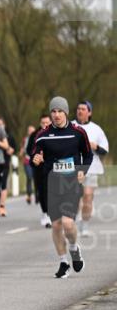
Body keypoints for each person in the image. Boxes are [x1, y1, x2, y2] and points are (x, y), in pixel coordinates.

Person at [30, 96, 93, 278]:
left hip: (71, 183)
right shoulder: (42, 135)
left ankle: (74, 248)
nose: (56, 115)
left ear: (66, 112)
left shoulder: (78, 132)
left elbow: (88, 155)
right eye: (53, 111)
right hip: (51, 184)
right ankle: (63, 262)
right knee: (56, 226)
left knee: (67, 222)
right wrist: (36, 159)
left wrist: (82, 170)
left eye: (59, 111)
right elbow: (35, 156)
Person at [73, 100, 109, 237]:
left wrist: (95, 147)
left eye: (83, 109)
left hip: (92, 168)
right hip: (74, 168)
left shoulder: (96, 129)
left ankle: (85, 225)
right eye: (78, 108)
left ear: (89, 112)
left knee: (87, 197)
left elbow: (105, 150)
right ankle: (74, 222)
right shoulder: (70, 126)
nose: (80, 111)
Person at [26, 114, 54, 228]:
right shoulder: (34, 135)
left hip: (52, 166)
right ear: (40, 123)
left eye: (47, 123)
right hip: (38, 167)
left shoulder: (56, 132)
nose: (45, 125)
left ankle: (50, 214)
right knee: (41, 191)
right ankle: (45, 213)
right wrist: (35, 156)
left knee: (51, 191)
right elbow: (29, 150)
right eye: (43, 123)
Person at [0, 116, 17, 218]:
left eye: (1, 125)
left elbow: (12, 150)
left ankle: (2, 206)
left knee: (3, 184)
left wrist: (6, 147)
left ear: (4, 125)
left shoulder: (10, 137)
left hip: (4, 163)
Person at [22, 124, 38, 205]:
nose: (31, 132)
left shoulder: (38, 137)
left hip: (36, 161)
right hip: (27, 161)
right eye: (29, 130)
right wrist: (21, 152)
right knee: (29, 177)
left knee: (36, 178)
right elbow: (22, 149)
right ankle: (29, 195)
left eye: (32, 130)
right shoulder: (25, 139)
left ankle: (37, 196)